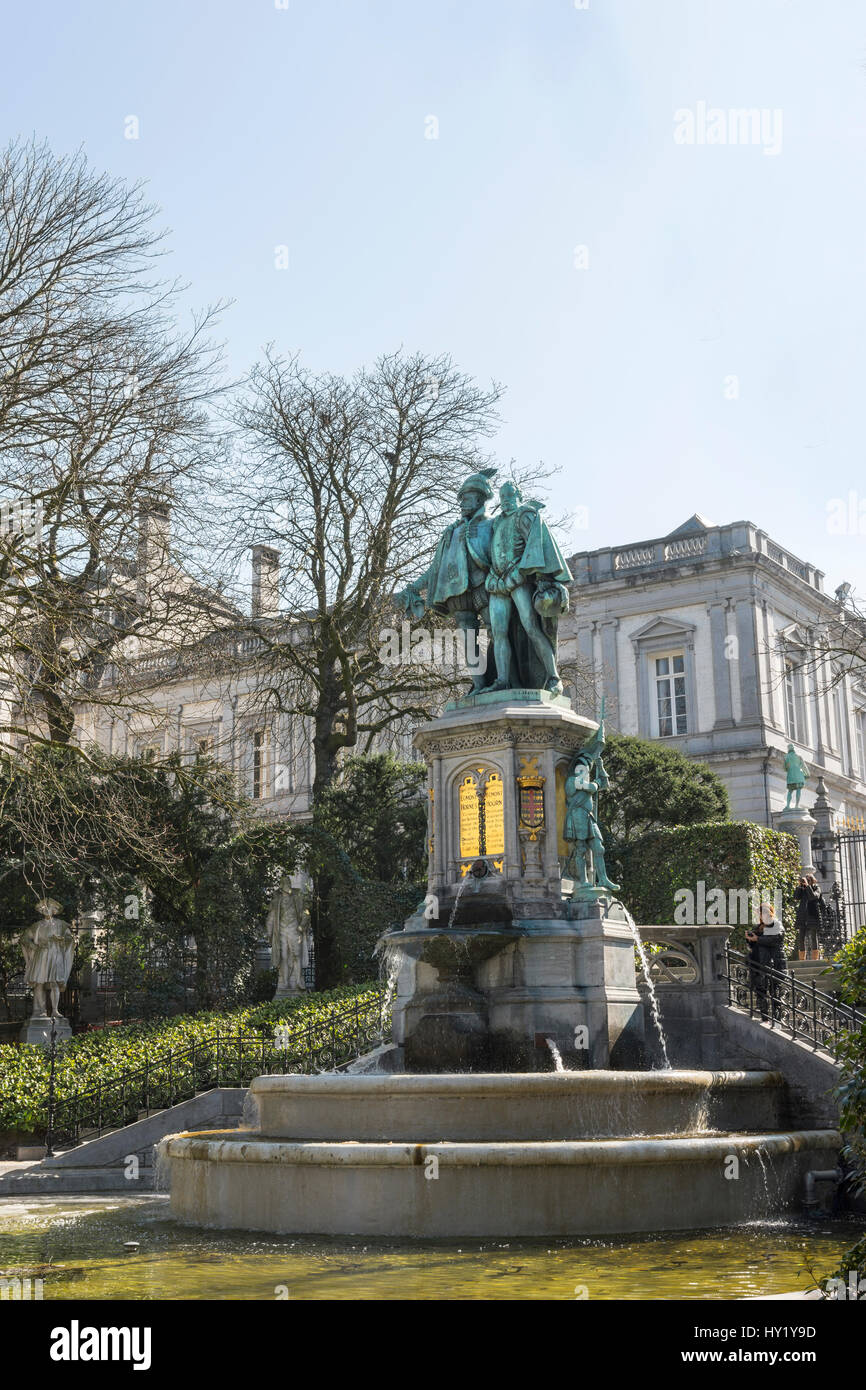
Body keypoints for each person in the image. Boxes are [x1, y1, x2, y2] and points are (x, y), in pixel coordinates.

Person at [745, 902, 785, 1021]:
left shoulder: (776, 924)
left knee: (775, 993)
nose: (760, 916)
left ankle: (777, 1020)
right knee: (761, 992)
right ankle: (765, 1018)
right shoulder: (759, 927)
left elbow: (776, 938)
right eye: (760, 914)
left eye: (761, 913)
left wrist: (758, 938)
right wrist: (750, 939)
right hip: (758, 964)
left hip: (773, 963)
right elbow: (753, 944)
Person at [794, 874, 822, 960]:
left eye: (808, 880)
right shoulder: (803, 889)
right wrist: (799, 886)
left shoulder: (816, 888)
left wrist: (808, 886)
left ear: (812, 881)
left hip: (812, 915)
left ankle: (815, 959)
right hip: (803, 916)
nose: (806, 882)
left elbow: (813, 897)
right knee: (801, 938)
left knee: (813, 937)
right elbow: (796, 897)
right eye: (806, 880)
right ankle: (802, 959)